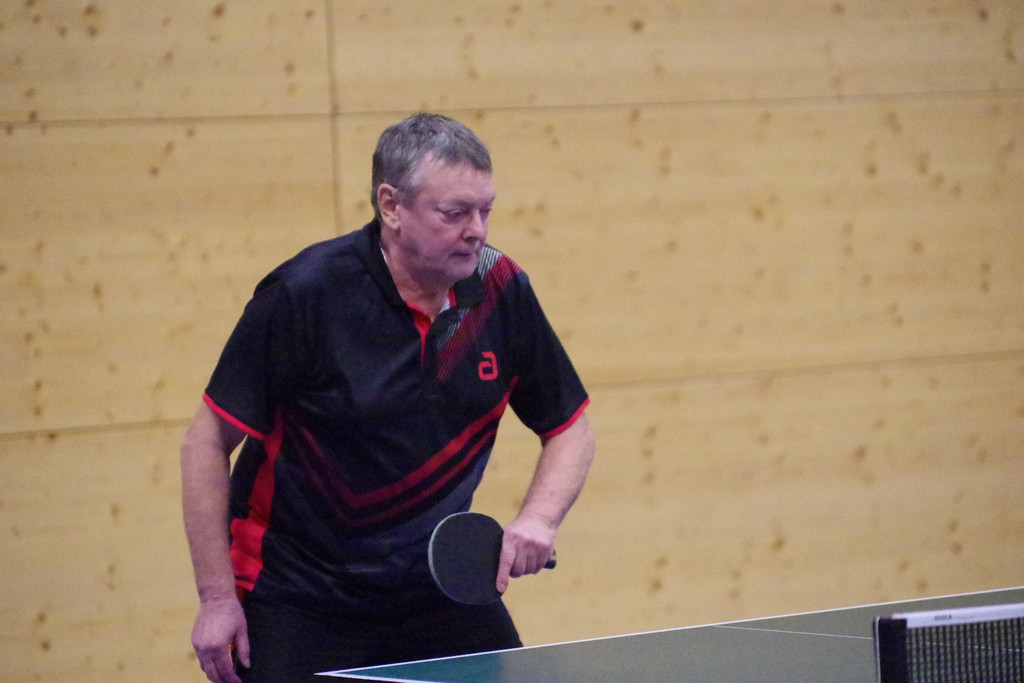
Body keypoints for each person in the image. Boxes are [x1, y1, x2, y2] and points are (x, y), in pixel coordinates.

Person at [181, 113, 595, 682]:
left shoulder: (499, 288)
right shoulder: (307, 294)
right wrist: (216, 598)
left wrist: (540, 520)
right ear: (391, 206)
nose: (477, 231)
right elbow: (206, 441)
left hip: (435, 591)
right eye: (454, 213)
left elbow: (570, 425)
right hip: (299, 597)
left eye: (485, 210)